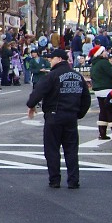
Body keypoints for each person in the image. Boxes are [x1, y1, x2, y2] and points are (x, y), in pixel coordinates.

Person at [26, 48, 91, 189]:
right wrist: (78, 114)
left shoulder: (52, 76)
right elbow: (86, 98)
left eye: (52, 58)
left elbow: (39, 91)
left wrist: (31, 105)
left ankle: (54, 179)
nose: (50, 60)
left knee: (52, 149)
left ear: (60, 59)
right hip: (71, 116)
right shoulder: (77, 76)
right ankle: (73, 180)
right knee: (71, 149)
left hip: (54, 115)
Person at [88, 45, 112, 141]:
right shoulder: (104, 63)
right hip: (107, 89)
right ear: (100, 53)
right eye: (104, 51)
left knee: (103, 111)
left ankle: (102, 133)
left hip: (98, 90)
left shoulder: (94, 64)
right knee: (111, 111)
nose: (106, 52)